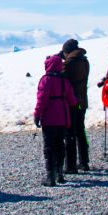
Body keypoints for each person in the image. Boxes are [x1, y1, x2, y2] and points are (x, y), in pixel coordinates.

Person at [34, 55, 78, 186]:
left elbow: (42, 100)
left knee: (49, 146)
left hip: (49, 118)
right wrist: (78, 99)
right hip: (63, 118)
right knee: (60, 145)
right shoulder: (66, 81)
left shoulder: (46, 80)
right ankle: (59, 174)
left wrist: (37, 115)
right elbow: (72, 101)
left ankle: (50, 176)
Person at [60, 39, 91, 173]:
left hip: (72, 102)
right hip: (82, 100)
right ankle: (84, 162)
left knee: (69, 133)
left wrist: (59, 61)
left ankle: (71, 165)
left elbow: (59, 75)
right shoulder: (84, 60)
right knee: (80, 131)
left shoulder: (70, 62)